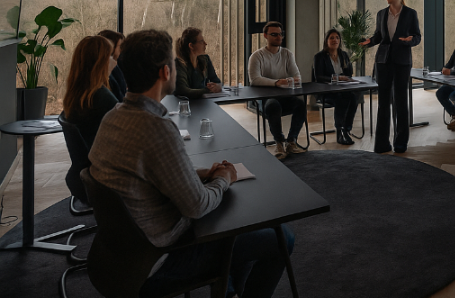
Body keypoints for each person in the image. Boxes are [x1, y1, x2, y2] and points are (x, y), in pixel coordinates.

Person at [89, 30, 294, 298]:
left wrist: (202, 173)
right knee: (281, 238)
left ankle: (229, 290)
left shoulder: (113, 117)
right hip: (159, 260)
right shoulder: (156, 129)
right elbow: (197, 206)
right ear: (165, 72)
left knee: (237, 227)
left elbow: (148, 175)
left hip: (119, 257)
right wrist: (224, 179)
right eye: (173, 65)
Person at [359, 0, 422, 154]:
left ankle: (400, 143)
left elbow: (417, 36)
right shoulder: (381, 14)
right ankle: (381, 144)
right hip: (383, 62)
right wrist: (369, 42)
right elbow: (379, 36)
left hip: (402, 62)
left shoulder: (410, 14)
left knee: (401, 102)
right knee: (383, 103)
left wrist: (411, 41)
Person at [248, 21, 307, 160]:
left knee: (300, 104)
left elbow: (297, 77)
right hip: (266, 99)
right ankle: (279, 142)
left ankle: (291, 141)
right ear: (265, 36)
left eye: (281, 34)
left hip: (285, 96)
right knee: (272, 104)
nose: (279, 37)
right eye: (274, 34)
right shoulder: (257, 56)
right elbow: (255, 80)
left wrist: (285, 82)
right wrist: (277, 82)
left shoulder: (287, 54)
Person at [62, 35, 119, 148]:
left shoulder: (78, 95)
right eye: (110, 56)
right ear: (101, 62)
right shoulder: (101, 98)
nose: (114, 62)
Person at [313, 29, 361, 145]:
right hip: (326, 92)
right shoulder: (319, 56)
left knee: (353, 98)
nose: (335, 40)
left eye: (337, 38)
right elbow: (318, 77)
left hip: (342, 88)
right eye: (332, 38)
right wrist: (337, 78)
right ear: (326, 41)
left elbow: (349, 73)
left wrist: (346, 74)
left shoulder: (343, 54)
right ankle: (339, 131)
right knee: (342, 98)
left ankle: (346, 129)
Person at [174, 27, 222, 99]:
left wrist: (218, 86)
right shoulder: (179, 64)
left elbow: (216, 81)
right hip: (186, 106)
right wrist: (209, 90)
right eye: (201, 41)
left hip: (203, 104)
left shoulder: (205, 59)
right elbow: (183, 91)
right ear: (191, 46)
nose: (205, 43)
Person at [98, 29, 126, 101]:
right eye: (120, 46)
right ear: (111, 47)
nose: (121, 50)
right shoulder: (109, 72)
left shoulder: (116, 66)